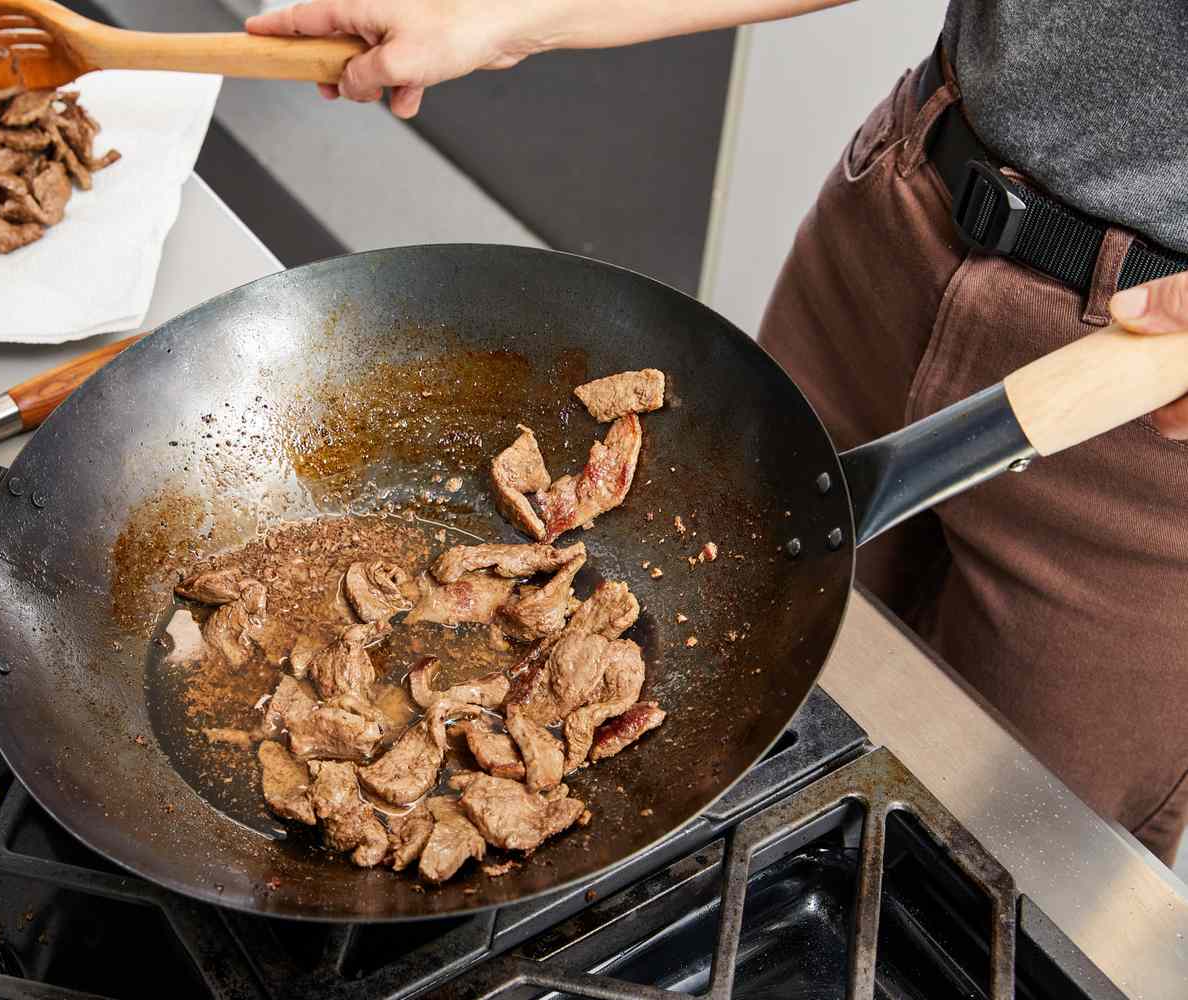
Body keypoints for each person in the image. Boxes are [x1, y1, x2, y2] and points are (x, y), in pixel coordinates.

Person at [247, 0, 1188, 863]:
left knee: (1001, 866)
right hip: (907, 209)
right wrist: (520, 13)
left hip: (1151, 397)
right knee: (765, 677)